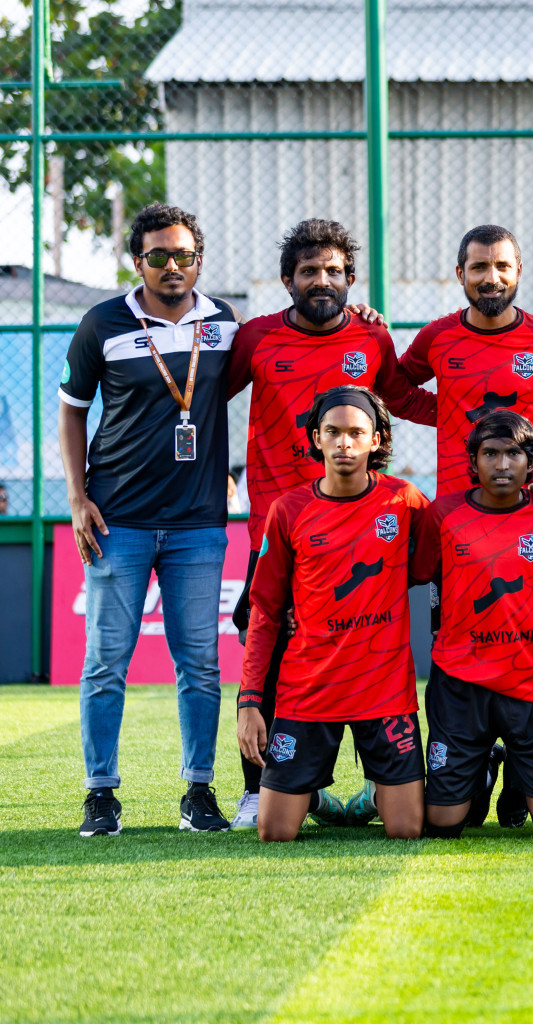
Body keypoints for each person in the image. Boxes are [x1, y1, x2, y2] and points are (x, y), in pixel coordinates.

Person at [225, 218, 437, 830]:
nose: (323, 281)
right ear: (288, 280)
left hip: (357, 524)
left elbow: (404, 399)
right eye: (310, 271)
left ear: (350, 280)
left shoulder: (372, 340)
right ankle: (257, 788)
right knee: (268, 640)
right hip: (278, 525)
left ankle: (383, 783)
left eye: (335, 272)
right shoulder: (257, 338)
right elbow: (207, 401)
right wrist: (213, 471)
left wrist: (479, 409)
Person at [60, 203, 241, 837]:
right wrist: (78, 497)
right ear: (136, 262)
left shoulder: (222, 322)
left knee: (200, 663)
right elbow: (73, 409)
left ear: (199, 259)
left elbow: (276, 360)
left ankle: (198, 792)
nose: (173, 267)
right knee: (107, 661)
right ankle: (100, 794)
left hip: (197, 523)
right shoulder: (102, 323)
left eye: (184, 255)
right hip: (118, 520)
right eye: (159, 256)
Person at [236, 386, 430, 842]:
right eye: (333, 432)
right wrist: (249, 702)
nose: (345, 443)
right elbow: (264, 612)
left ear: (377, 440)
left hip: (382, 687)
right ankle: (315, 797)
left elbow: (433, 562)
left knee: (406, 829)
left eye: (356, 433)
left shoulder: (405, 501)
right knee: (274, 832)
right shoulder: (287, 511)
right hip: (309, 688)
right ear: (316, 438)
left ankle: (371, 797)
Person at [411, 410, 533, 839]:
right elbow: (422, 576)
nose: (502, 465)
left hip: (531, 683)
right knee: (444, 827)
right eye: (491, 454)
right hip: (460, 684)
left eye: (513, 454)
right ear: (473, 462)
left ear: (530, 463)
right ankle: (480, 774)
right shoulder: (442, 514)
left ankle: (514, 781)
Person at [401, 224, 533, 499]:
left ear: (518, 271)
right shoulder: (436, 337)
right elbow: (395, 391)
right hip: (458, 503)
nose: (492, 277)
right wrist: (447, 414)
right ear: (461, 274)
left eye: (503, 266)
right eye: (479, 267)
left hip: (532, 499)